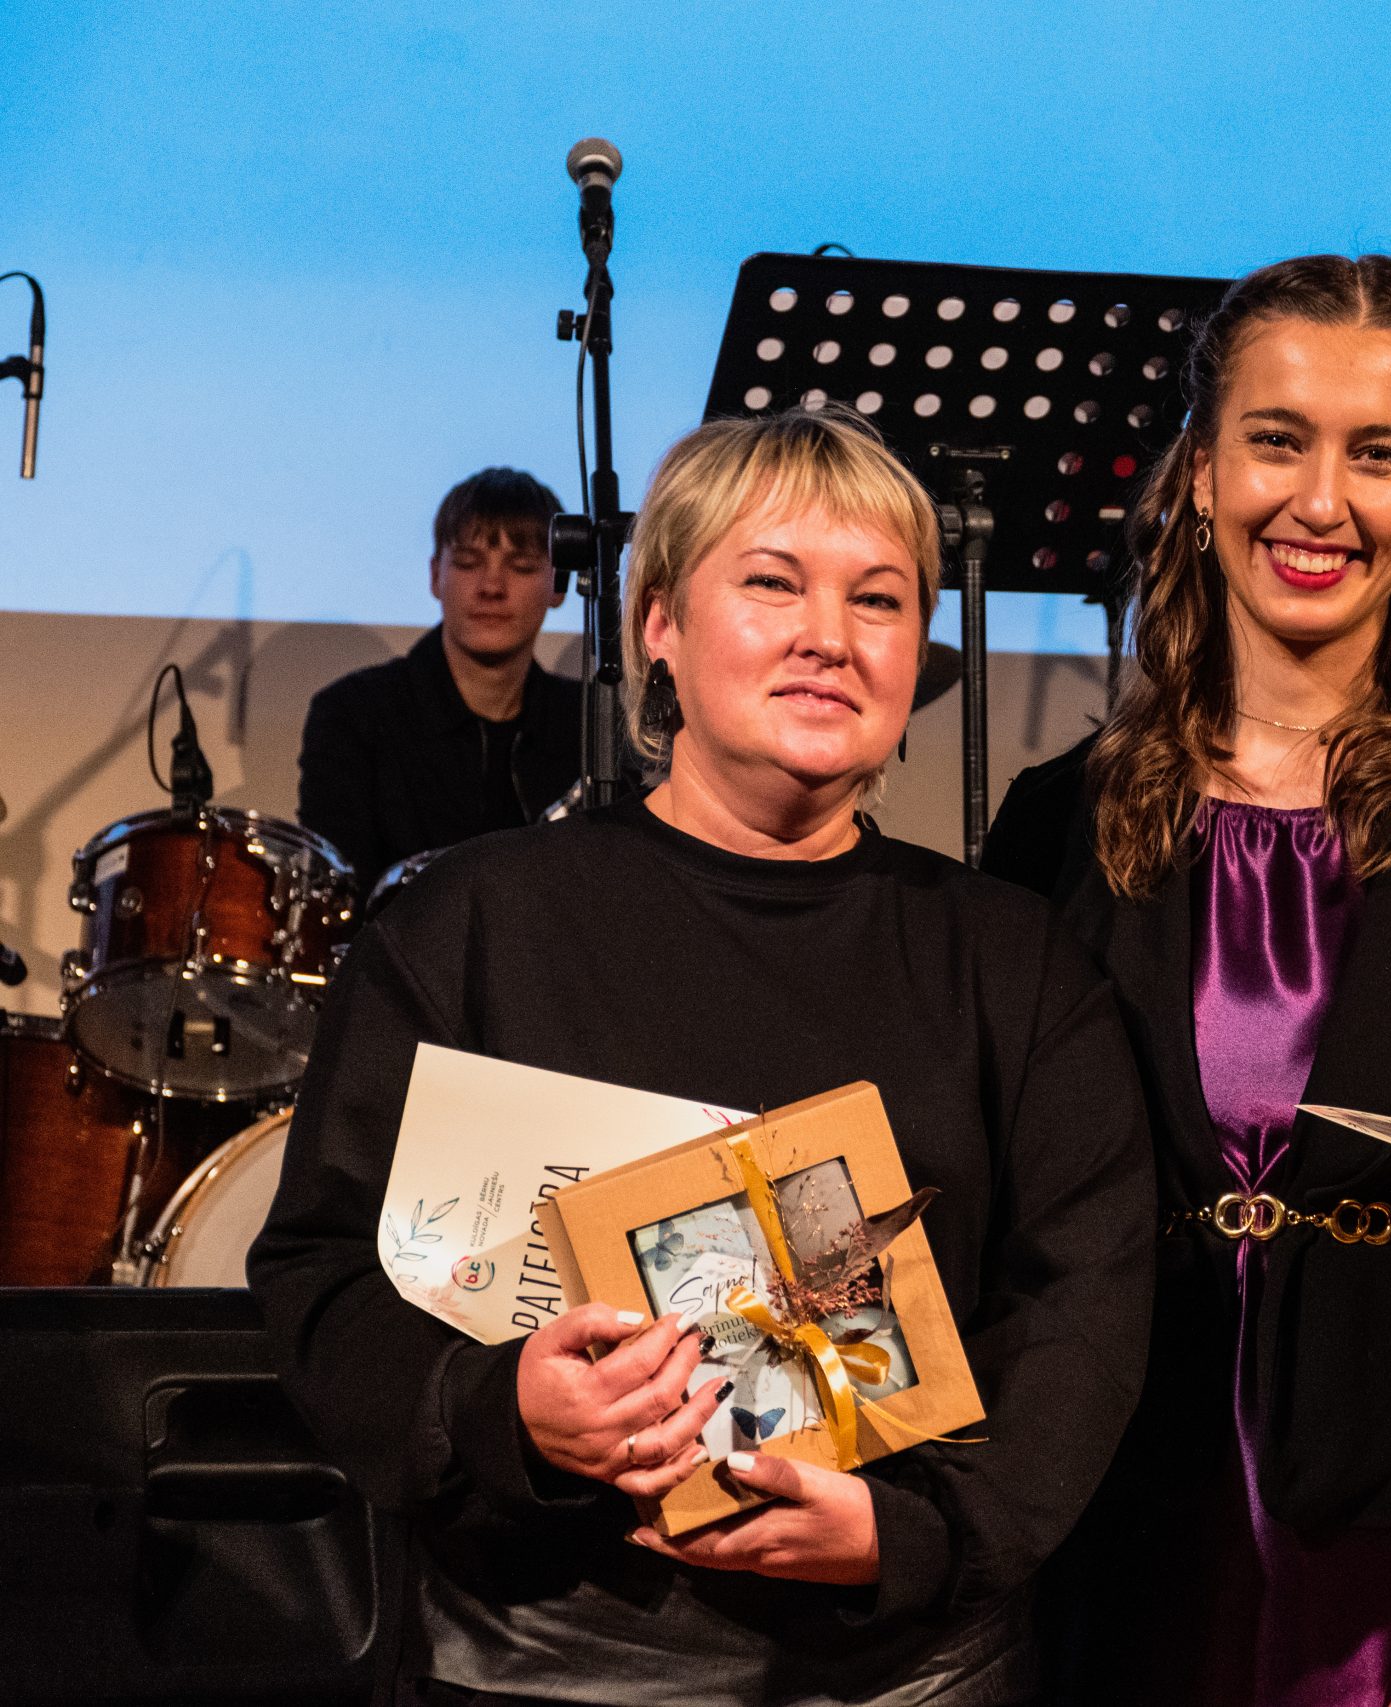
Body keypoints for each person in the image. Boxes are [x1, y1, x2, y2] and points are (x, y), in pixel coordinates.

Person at [248, 408, 1155, 1707]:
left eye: (879, 598)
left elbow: (1087, 1304)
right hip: (545, 1660)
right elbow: (321, 1272)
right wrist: (505, 1409)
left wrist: (918, 1535)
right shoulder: (475, 922)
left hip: (905, 1668)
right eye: (773, 582)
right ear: (660, 622)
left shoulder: (1014, 961)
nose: (829, 635)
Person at [981, 254, 1391, 1707]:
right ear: (1201, 473)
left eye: (1377, 454)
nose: (1321, 502)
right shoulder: (1053, 823)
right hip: (1118, 1535)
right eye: (1278, 439)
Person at [297, 467, 582, 895]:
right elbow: (340, 900)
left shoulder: (588, 724)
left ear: (558, 585)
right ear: (435, 576)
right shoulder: (354, 715)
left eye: (521, 567)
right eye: (468, 563)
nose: (491, 586)